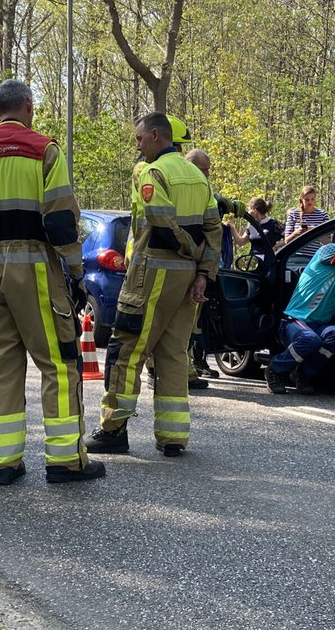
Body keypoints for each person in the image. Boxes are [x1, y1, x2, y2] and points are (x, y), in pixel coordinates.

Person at [0, 79, 105, 486]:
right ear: (29, 107)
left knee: (0, 365)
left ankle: (4, 463)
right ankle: (65, 461)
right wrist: (75, 274)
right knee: (58, 362)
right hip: (34, 266)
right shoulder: (44, 150)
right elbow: (59, 221)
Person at [89, 112, 222, 457]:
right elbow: (214, 230)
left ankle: (112, 429)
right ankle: (173, 436)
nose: (137, 144)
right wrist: (202, 272)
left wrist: (189, 251)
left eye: (139, 138)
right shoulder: (197, 175)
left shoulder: (153, 172)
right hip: (188, 279)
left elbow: (161, 224)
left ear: (157, 136)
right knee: (173, 354)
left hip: (153, 274)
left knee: (128, 348)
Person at [265, 225, 335, 394]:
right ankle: (275, 369)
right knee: (310, 339)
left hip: (320, 324)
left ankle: (303, 373)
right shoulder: (330, 250)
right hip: (296, 320)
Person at [183, 146, 245, 384]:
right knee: (186, 320)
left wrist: (229, 204)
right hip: (189, 263)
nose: (207, 174)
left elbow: (215, 201)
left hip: (198, 264)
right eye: (204, 169)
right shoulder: (193, 190)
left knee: (196, 319)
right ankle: (181, 368)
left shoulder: (198, 189)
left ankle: (194, 362)